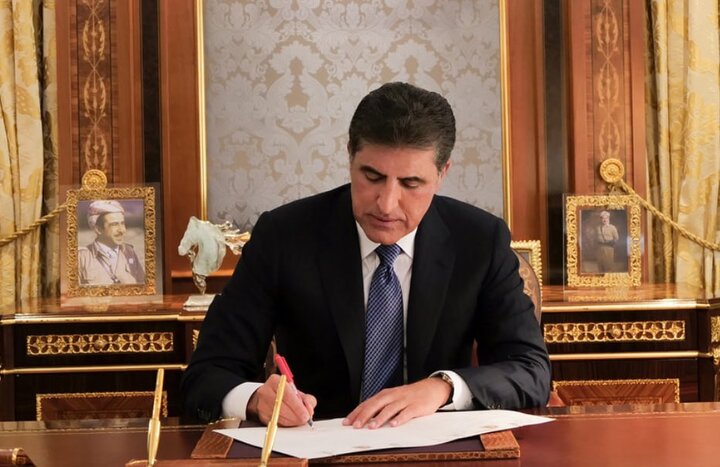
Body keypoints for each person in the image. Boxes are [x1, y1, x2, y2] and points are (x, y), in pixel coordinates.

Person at [181, 82, 550, 428]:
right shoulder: (284, 236)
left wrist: (442, 388)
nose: (386, 204)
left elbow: (530, 370)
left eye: (411, 183)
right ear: (350, 157)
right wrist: (253, 399)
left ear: (442, 173)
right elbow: (206, 375)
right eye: (372, 177)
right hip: (317, 448)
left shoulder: (479, 240)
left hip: (438, 450)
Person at [77, 200, 146, 285]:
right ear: (98, 229)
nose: (122, 230)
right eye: (114, 224)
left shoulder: (129, 252)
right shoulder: (82, 257)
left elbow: (143, 287)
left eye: (122, 223)